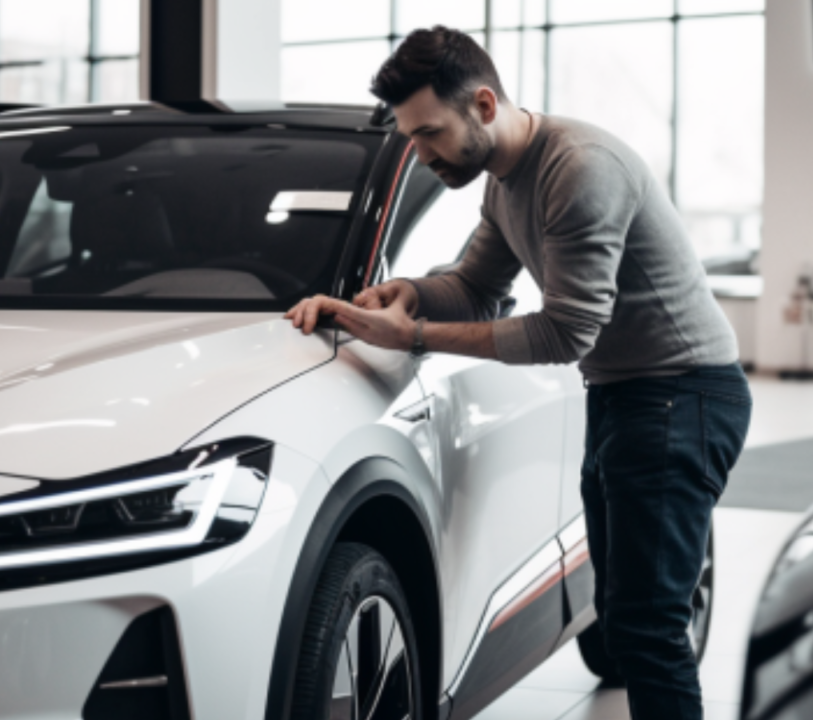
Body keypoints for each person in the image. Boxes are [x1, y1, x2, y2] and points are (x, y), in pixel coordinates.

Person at [285, 26, 751, 720]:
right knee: (624, 611)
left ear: (481, 104)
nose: (419, 153)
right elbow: (475, 284)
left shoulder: (579, 169)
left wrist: (411, 334)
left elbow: (565, 331)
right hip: (625, 396)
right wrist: (410, 291)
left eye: (429, 132)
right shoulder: (505, 184)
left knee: (650, 627)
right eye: (411, 136)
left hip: (681, 398)